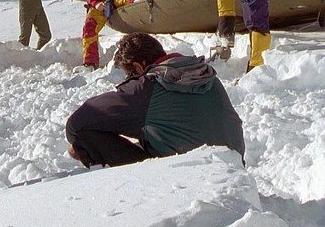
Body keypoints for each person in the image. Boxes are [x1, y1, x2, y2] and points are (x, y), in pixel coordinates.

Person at [65, 33, 245, 168]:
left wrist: (81, 146)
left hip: (186, 180)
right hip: (233, 171)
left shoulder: (147, 87)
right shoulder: (208, 77)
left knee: (84, 137)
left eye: (129, 75)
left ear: (138, 67)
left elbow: (76, 124)